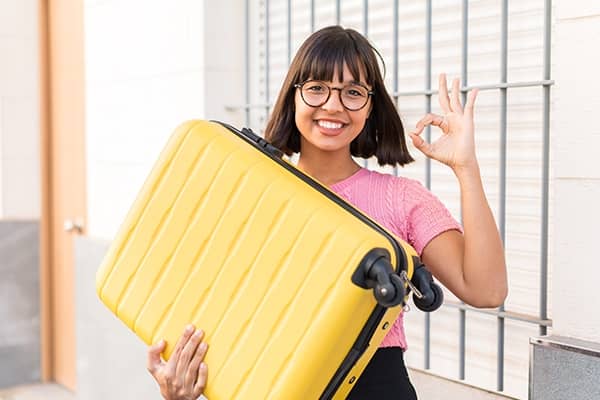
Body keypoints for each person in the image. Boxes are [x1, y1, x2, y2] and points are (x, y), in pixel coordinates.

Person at [146, 25, 508, 399]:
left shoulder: (400, 199)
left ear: (370, 107)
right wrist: (180, 390)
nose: (333, 106)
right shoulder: (251, 191)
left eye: (352, 92)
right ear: (293, 97)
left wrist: (466, 167)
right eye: (317, 87)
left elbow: (486, 289)